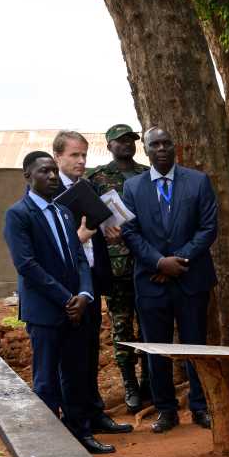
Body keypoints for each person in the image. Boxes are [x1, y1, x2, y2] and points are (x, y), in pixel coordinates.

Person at [3, 152, 106, 454]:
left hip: (76, 310)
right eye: (43, 172)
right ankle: (52, 446)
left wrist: (85, 295)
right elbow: (27, 265)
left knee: (75, 375)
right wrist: (66, 298)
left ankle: (81, 434)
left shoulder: (63, 211)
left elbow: (79, 258)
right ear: (27, 176)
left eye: (52, 171)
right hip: (46, 312)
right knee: (46, 380)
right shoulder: (18, 214)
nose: (50, 177)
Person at [119, 127, 218, 432]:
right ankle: (166, 410)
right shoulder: (132, 188)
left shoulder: (198, 181)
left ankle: (200, 406)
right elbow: (129, 232)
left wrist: (178, 261)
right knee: (157, 348)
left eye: (166, 143)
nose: (161, 148)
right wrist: (159, 262)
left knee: (195, 346)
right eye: (154, 144)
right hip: (151, 283)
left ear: (175, 147)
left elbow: (208, 228)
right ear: (146, 151)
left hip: (191, 279)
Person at [52, 129, 133, 443]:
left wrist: (107, 232)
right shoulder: (47, 189)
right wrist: (81, 237)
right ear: (58, 156)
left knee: (89, 352)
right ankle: (77, 426)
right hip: (66, 290)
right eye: (74, 155)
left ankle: (95, 412)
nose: (81, 161)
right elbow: (48, 244)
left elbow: (95, 228)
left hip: (92, 282)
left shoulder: (86, 187)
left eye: (84, 155)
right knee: (71, 359)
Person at [88, 124, 150, 413]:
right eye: (120, 141)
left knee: (151, 326)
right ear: (109, 145)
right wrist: (102, 230)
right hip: (115, 266)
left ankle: (150, 382)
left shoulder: (146, 175)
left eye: (130, 140)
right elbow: (86, 216)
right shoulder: (96, 177)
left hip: (146, 261)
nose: (126, 144)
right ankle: (131, 387)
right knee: (122, 327)